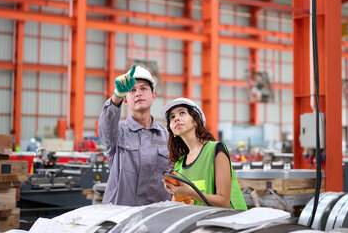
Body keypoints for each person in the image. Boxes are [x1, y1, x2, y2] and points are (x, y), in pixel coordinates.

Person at [98, 65, 170, 206]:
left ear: (153, 96)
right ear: (125, 100)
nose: (138, 93)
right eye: (132, 90)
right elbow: (105, 123)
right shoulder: (116, 133)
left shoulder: (167, 136)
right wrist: (117, 95)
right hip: (121, 216)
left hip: (157, 216)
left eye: (143, 88)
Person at [162, 97, 247, 210]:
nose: (176, 118)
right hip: (200, 224)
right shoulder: (179, 164)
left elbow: (224, 203)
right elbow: (180, 204)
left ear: (196, 121)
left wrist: (190, 192)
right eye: (172, 117)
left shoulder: (215, 150)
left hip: (229, 222)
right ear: (172, 130)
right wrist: (175, 191)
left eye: (182, 113)